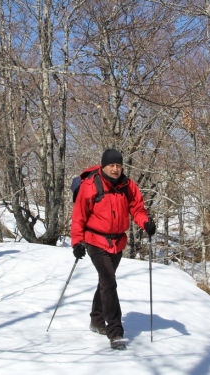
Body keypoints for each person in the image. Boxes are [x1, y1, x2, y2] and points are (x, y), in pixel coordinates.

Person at [71, 148, 156, 349]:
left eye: (118, 165)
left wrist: (146, 223)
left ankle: (96, 320)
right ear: (103, 165)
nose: (116, 169)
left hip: (117, 242)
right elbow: (79, 215)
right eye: (112, 165)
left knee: (105, 282)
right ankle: (115, 331)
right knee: (109, 282)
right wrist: (76, 242)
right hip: (95, 240)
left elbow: (137, 208)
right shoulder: (91, 185)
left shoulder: (128, 185)